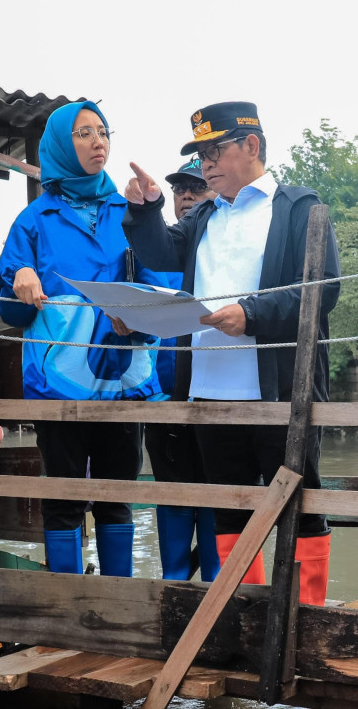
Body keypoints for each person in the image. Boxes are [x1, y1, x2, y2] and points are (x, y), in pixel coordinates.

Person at [122, 101, 341, 605]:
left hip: (280, 389)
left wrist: (252, 313)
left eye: (215, 150)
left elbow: (322, 290)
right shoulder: (204, 216)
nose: (207, 165)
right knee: (228, 507)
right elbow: (158, 254)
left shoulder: (300, 209)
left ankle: (307, 615)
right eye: (201, 155)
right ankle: (243, 612)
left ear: (252, 146)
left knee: (299, 502)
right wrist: (146, 208)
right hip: (208, 391)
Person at [0, 101, 165, 580]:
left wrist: (141, 319)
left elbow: (162, 282)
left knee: (116, 501)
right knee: (64, 501)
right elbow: (7, 308)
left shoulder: (128, 212)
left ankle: (118, 599)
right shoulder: (34, 221)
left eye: (103, 131)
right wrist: (19, 277)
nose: (98, 141)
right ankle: (66, 603)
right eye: (84, 133)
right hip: (58, 387)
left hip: (122, 382)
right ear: (60, 146)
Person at [147, 158, 220, 582]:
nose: (186, 196)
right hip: (163, 398)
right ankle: (174, 587)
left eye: (196, 187)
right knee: (172, 496)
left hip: (216, 395)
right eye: (179, 189)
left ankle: (215, 586)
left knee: (215, 494)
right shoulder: (152, 252)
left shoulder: (221, 249)